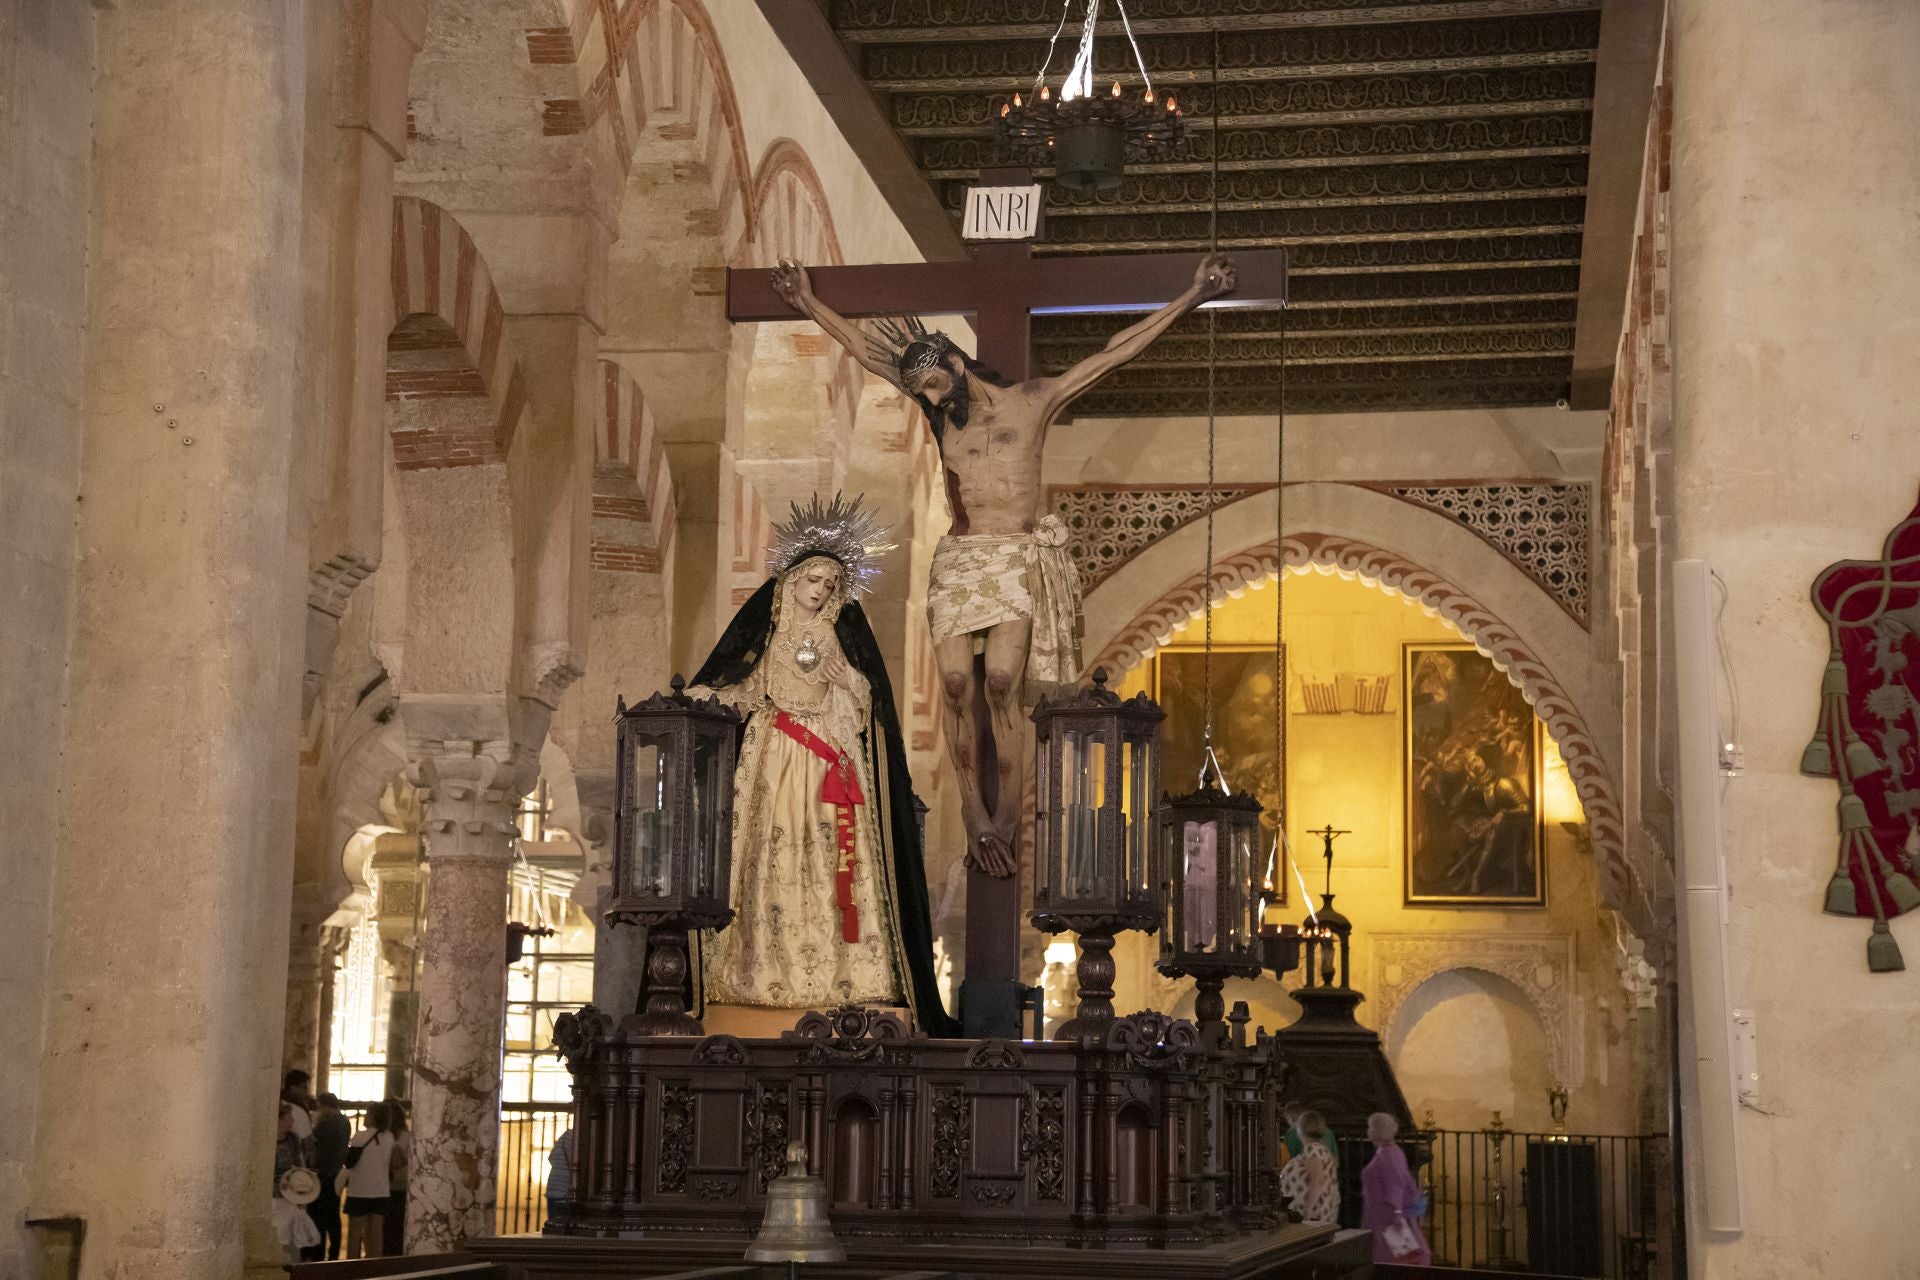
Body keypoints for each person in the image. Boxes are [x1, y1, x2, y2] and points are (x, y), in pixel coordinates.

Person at [772, 255, 1237, 873]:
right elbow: (864, 349)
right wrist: (807, 301)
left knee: (1000, 687)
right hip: (962, 559)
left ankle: (1009, 820)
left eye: (935, 384)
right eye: (922, 393)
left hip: (1015, 557)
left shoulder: (1031, 403)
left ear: (957, 365)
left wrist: (1192, 295)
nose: (931, 398)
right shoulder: (939, 417)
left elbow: (1113, 353)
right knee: (959, 686)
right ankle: (973, 814)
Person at [689, 494, 958, 1035]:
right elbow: (742, 688)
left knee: (835, 855)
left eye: (831, 585)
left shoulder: (839, 638)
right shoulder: (768, 635)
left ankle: (849, 981)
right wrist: (700, 697)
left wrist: (847, 681)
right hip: (774, 755)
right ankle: (754, 978)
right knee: (768, 853)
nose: (821, 590)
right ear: (792, 580)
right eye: (814, 579)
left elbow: (866, 704)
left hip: (828, 757)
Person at [1361, 1111, 1432, 1265]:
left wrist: (1397, 1215)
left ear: (1377, 1131)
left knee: (1396, 1263)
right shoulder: (1389, 1152)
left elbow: (1395, 1186)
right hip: (1382, 1217)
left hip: (1388, 1220)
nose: (1368, 1131)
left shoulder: (1387, 1155)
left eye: (1370, 1127)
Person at [342, 1101, 395, 1258]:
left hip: (359, 1191)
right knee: (376, 1234)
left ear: (373, 1117)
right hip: (381, 1191)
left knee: (355, 1234)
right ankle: (374, 1267)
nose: (365, 1116)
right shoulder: (389, 1137)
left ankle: (351, 1267)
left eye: (368, 1114)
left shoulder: (359, 1136)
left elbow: (349, 1162)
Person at [271, 1102, 321, 1264]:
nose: (292, 1119)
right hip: (269, 1195)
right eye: (288, 1117)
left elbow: (299, 1163)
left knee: (285, 1238)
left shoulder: (292, 1139)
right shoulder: (267, 1138)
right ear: (278, 1119)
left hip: (288, 1195)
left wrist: (302, 1195)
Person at [305, 1092, 351, 1260]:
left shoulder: (328, 1123)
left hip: (325, 1175)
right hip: (336, 1174)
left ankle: (319, 1254)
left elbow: (314, 1141)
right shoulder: (344, 1122)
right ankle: (333, 1254)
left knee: (320, 1217)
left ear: (324, 1106)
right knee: (333, 1217)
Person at [1276, 1109, 1340, 1226]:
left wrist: (1307, 1210)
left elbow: (1317, 1181)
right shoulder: (1318, 1148)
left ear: (1301, 1129)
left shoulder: (1313, 1149)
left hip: (1313, 1214)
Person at [381, 1101, 410, 1256]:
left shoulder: (384, 1137)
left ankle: (386, 1254)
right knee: (398, 1224)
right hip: (402, 1185)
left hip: (385, 1184)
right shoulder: (407, 1136)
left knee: (386, 1225)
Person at [547, 1127, 575, 1226]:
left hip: (553, 1187)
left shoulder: (566, 1135)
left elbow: (551, 1157)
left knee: (554, 1226)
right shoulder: (574, 1137)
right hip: (564, 1190)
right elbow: (575, 1164)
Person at [281, 1069, 314, 1143]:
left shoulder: (298, 1103)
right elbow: (306, 1138)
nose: (307, 1091)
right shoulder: (292, 1106)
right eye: (304, 1087)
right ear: (293, 1087)